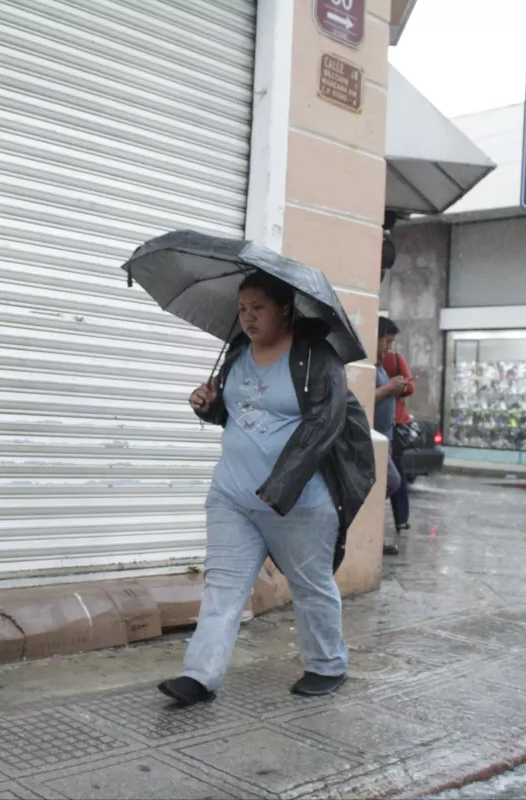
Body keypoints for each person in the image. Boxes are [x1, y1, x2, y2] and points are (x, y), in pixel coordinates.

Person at [160, 272, 375, 707]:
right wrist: (209, 407)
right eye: (242, 309)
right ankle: (199, 676)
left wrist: (280, 486)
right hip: (232, 496)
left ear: (285, 309)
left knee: (310, 583)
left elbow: (324, 425)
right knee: (223, 586)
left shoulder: (319, 358)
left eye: (258, 308)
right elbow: (238, 414)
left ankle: (327, 664)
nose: (248, 317)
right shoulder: (238, 351)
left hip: (298, 500)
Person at [375, 318, 410, 555]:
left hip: (385, 437)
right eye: (387, 341)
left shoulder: (379, 366)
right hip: (374, 438)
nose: (389, 347)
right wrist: (388, 388)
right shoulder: (367, 367)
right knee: (392, 481)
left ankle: (375, 537)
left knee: (385, 487)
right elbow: (362, 399)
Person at [381, 328, 415, 532]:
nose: (389, 346)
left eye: (391, 342)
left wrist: (397, 387)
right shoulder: (371, 362)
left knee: (396, 475)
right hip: (381, 425)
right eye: (387, 341)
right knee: (392, 475)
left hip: (395, 423)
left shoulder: (394, 358)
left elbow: (410, 388)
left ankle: (401, 518)